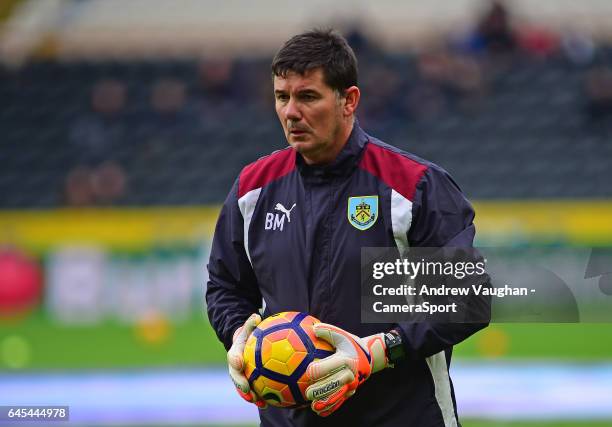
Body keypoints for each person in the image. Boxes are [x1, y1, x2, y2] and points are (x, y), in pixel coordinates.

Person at [206, 29, 489, 426]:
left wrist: (378, 351)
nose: (290, 111)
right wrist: (237, 336)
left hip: (402, 416)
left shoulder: (414, 186)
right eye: (281, 97)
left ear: (349, 100)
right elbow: (226, 286)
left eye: (307, 96)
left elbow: (465, 300)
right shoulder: (252, 189)